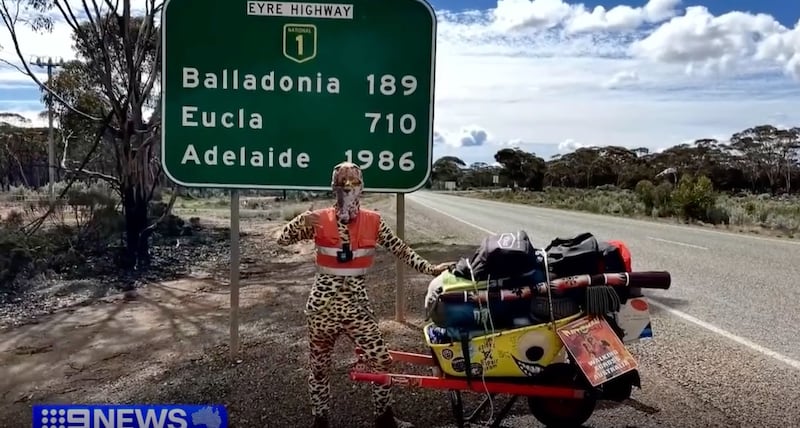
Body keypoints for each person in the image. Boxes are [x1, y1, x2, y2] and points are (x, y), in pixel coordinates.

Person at [277, 162, 452, 428]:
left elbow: (401, 249)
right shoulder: (317, 218)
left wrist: (430, 268)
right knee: (319, 367)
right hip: (322, 309)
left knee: (381, 359)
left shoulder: (373, 221)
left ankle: (383, 416)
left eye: (353, 182)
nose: (347, 186)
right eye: (341, 182)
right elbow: (282, 239)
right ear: (333, 187)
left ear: (362, 188)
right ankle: (320, 418)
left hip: (357, 308)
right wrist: (299, 221)